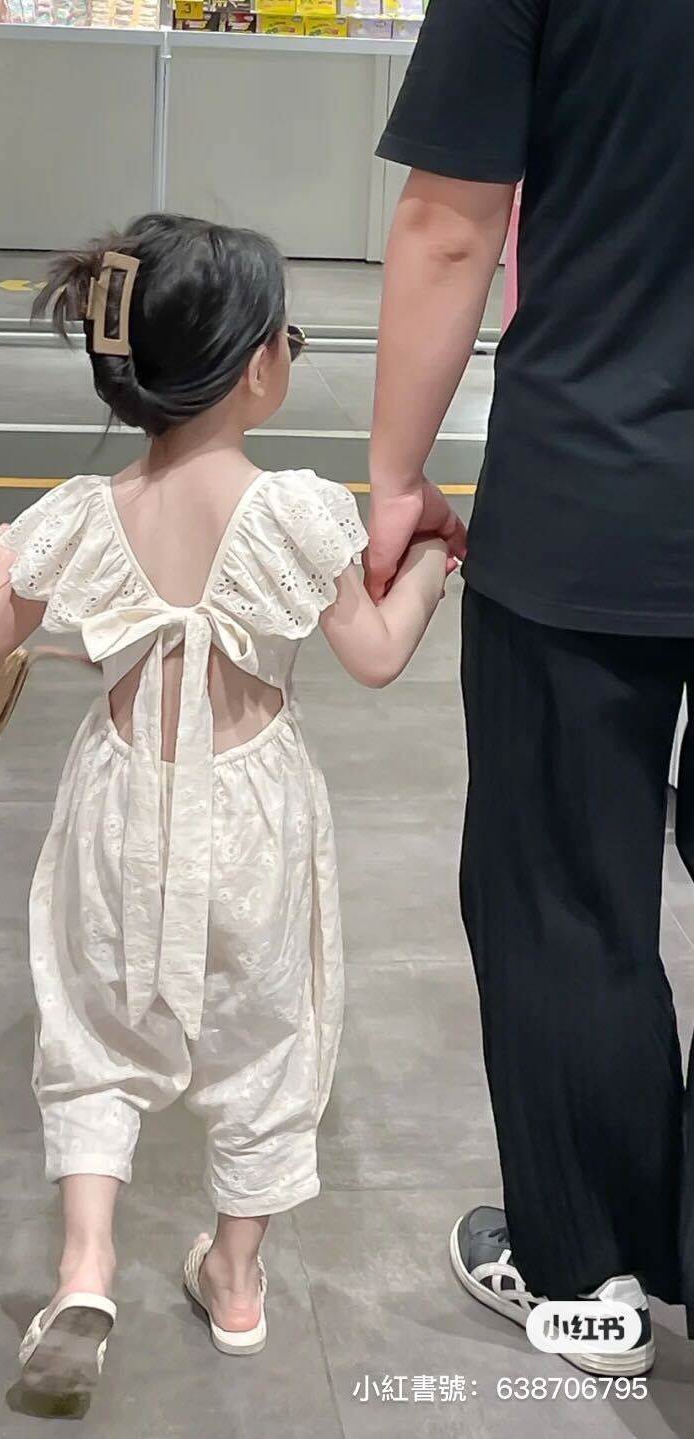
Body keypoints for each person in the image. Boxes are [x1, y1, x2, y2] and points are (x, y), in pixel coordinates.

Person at [0, 213, 448, 1399]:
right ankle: (234, 1275)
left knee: (91, 1029)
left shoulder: (85, 508)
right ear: (253, 366)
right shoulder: (294, 510)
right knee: (269, 1038)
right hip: (254, 812)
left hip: (120, 801)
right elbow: (377, 652)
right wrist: (436, 557)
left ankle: (85, 1267)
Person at [369, 0, 694, 1380]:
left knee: (563, 888)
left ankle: (590, 1273)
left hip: (593, 486)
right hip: (599, 487)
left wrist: (395, 476)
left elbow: (453, 226)